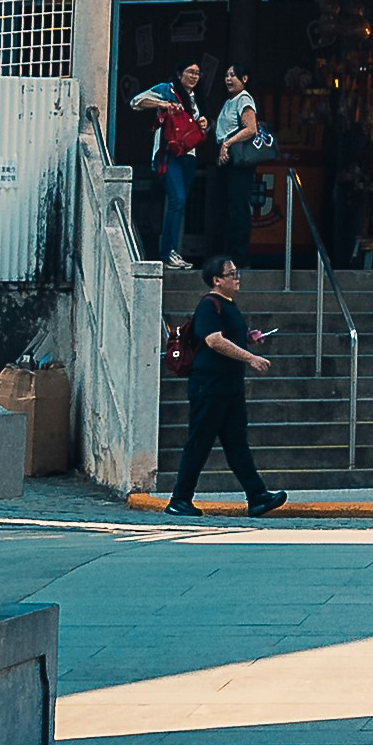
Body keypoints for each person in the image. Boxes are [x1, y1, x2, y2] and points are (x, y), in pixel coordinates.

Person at [167, 259, 282, 515]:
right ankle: (179, 499)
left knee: (236, 442)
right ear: (217, 280)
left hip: (229, 385)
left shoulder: (229, 305)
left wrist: (249, 339)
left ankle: (257, 496)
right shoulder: (210, 305)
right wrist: (250, 357)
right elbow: (214, 340)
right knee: (199, 441)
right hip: (209, 385)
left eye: (236, 273)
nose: (237, 278)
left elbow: (228, 337)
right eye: (231, 274)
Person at [126, 59, 210, 264]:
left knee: (179, 204)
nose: (194, 76)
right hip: (167, 153)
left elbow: (201, 127)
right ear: (180, 73)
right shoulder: (167, 90)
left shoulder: (197, 97)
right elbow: (136, 102)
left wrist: (205, 123)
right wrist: (163, 104)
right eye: (190, 71)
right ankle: (168, 252)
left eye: (197, 73)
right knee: (178, 199)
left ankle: (173, 251)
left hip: (189, 156)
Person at [209, 72, 271, 264]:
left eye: (234, 75)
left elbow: (250, 128)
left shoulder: (244, 99)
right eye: (226, 75)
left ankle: (239, 256)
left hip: (239, 162)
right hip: (228, 162)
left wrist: (227, 144)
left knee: (238, 208)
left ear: (245, 78)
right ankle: (228, 254)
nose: (228, 79)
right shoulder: (230, 101)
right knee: (228, 207)